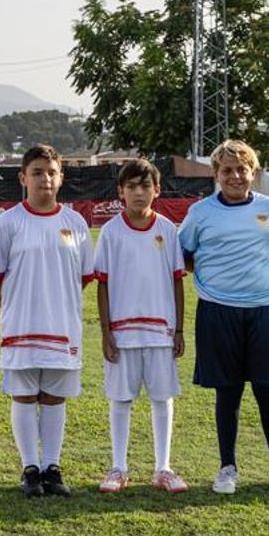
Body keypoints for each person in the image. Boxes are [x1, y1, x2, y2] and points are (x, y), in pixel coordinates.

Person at [178, 139, 269, 495]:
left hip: (263, 309)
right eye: (227, 170)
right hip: (218, 311)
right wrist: (216, 280)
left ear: (253, 172)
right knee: (228, 391)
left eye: (241, 169)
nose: (235, 176)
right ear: (216, 174)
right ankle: (227, 467)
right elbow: (185, 254)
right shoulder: (200, 213)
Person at [0, 145, 94, 498]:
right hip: (21, 326)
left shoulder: (75, 223)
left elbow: (82, 277)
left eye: (51, 172)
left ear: (60, 178)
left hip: (62, 326)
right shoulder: (9, 221)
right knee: (23, 395)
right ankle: (30, 468)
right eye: (37, 172)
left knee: (54, 397)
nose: (44, 178)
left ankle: (52, 467)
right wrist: (16, 307)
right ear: (22, 178)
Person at [93, 158, 188, 493]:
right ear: (120, 191)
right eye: (131, 186)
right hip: (123, 331)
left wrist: (179, 329)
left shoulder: (167, 229)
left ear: (157, 190)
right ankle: (118, 467)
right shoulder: (111, 231)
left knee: (162, 397)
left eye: (145, 185)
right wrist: (106, 332)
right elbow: (102, 284)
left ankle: (163, 467)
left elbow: (177, 281)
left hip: (160, 330)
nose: (138, 192)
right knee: (121, 398)